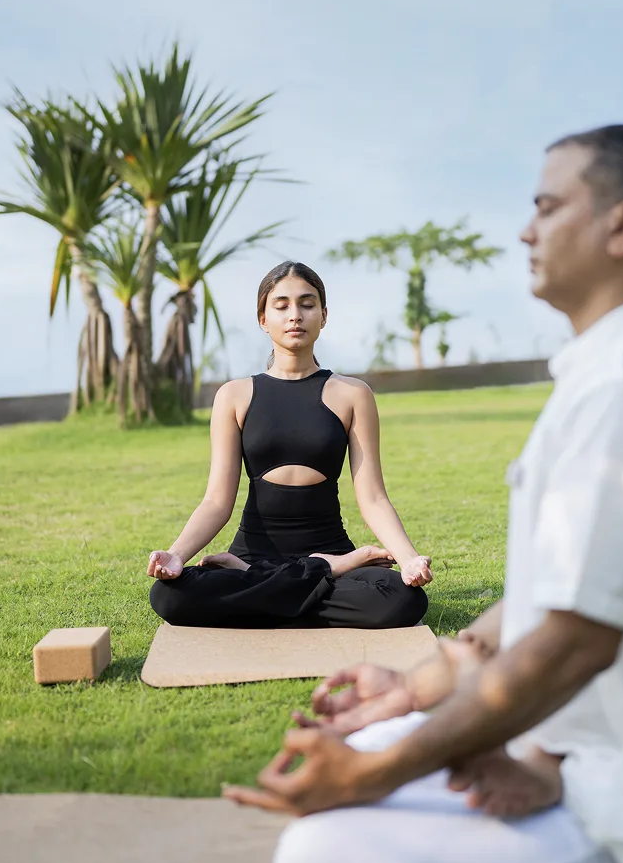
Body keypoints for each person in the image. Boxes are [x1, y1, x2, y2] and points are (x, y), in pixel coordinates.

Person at [225, 125, 623, 863]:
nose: (525, 229)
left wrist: (377, 775)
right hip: (572, 756)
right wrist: (410, 689)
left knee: (322, 857)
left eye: (547, 205)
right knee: (362, 734)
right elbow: (547, 597)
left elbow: (573, 642)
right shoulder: (608, 373)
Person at [146, 261, 432, 630]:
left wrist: (408, 559)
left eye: (307, 304)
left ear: (324, 315)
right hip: (257, 554)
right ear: (263, 319)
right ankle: (322, 573)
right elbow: (217, 501)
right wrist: (176, 554)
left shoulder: (352, 394)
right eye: (281, 306)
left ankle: (270, 583)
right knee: (168, 595)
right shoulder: (234, 395)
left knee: (401, 599)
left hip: (327, 546)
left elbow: (373, 497)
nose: (294, 315)